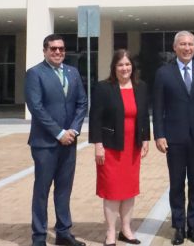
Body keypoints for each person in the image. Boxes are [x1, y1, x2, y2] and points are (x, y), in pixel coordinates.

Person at [153, 31, 194, 245]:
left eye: (190, 44)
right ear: (175, 47)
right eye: (182, 44)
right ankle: (179, 227)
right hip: (174, 137)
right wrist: (159, 135)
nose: (187, 48)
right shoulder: (164, 73)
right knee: (176, 184)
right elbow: (158, 107)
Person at [25, 34, 88, 246]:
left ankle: (63, 232)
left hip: (69, 142)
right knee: (42, 191)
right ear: (45, 50)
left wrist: (74, 130)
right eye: (53, 48)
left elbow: (82, 103)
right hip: (45, 144)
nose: (58, 52)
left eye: (61, 48)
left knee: (64, 189)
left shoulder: (73, 72)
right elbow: (36, 107)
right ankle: (39, 236)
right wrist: (59, 133)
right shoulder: (35, 73)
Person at [89, 49, 150, 246]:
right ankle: (110, 232)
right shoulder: (103, 88)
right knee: (112, 190)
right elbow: (95, 118)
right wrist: (98, 145)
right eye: (120, 65)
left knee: (129, 190)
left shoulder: (141, 87)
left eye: (128, 64)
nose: (125, 68)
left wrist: (146, 139)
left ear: (133, 66)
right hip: (111, 147)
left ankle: (126, 229)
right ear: (114, 67)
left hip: (132, 147)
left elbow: (144, 116)